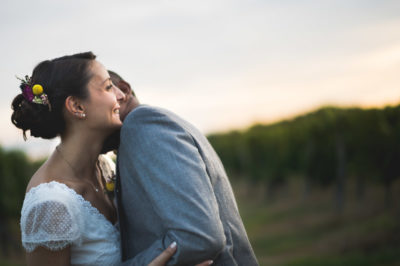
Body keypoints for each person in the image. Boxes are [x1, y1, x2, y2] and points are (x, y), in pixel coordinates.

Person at [11, 52, 212, 266]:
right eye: (108, 87)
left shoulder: (106, 167)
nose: (121, 95)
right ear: (77, 107)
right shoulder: (50, 204)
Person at [109, 71, 259, 265]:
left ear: (123, 90)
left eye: (107, 88)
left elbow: (198, 238)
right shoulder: (155, 125)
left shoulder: (142, 124)